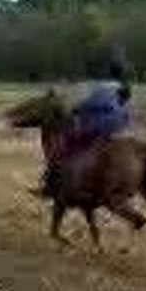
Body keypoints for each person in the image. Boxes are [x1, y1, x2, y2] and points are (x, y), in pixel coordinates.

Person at [33, 53, 133, 199]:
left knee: (66, 148)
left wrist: (74, 109)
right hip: (121, 125)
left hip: (101, 125)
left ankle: (53, 185)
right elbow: (124, 106)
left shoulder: (102, 86)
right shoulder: (124, 85)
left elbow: (87, 104)